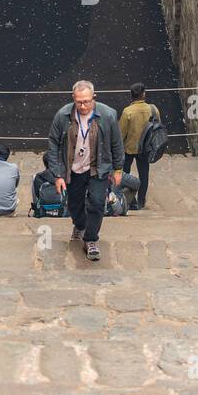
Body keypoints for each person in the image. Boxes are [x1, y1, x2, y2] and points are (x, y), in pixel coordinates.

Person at [47, 80, 124, 261]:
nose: (83, 106)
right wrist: (57, 174)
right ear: (73, 98)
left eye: (87, 101)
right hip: (73, 169)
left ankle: (90, 239)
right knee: (74, 204)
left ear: (93, 98)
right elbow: (53, 144)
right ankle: (80, 225)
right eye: (79, 102)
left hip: (97, 167)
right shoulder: (63, 116)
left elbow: (116, 143)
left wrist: (118, 168)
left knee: (97, 203)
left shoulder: (108, 115)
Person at [119, 83, 160, 210]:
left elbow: (121, 133)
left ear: (131, 96)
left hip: (129, 148)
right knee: (144, 174)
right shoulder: (153, 109)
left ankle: (131, 200)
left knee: (124, 174)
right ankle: (141, 201)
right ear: (143, 94)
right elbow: (158, 127)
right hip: (146, 148)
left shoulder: (127, 112)